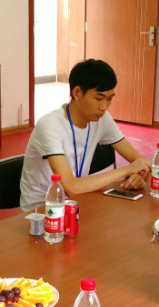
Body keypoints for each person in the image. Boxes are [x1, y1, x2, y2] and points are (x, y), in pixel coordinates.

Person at [19, 59, 150, 211]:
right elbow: (71, 187)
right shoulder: (49, 125)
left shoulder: (102, 119)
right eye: (99, 98)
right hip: (42, 210)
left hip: (78, 201)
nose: (104, 107)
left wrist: (139, 176)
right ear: (77, 93)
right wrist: (127, 170)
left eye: (109, 99)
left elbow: (139, 162)